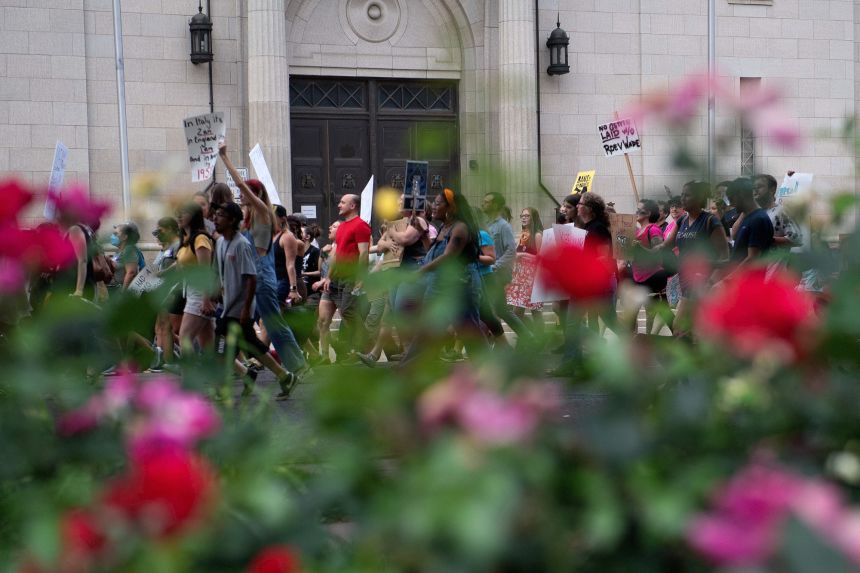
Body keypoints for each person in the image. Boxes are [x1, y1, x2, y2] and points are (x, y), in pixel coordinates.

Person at [219, 140, 308, 378]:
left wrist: (225, 158)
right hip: (252, 276)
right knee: (244, 323)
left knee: (273, 323)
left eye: (244, 192)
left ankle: (296, 365)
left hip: (263, 277)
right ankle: (244, 364)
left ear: (255, 194)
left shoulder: (263, 212)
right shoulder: (247, 220)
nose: (240, 195)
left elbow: (239, 183)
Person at [213, 202, 298, 399]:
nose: (215, 219)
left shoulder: (241, 245)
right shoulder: (219, 243)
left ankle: (221, 387)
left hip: (238, 308)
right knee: (252, 345)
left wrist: (245, 308)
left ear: (233, 220)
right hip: (227, 306)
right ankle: (283, 376)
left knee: (221, 347)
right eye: (215, 214)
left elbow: (251, 278)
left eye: (221, 215)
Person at [402, 188, 487, 362]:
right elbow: (431, 253)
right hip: (440, 284)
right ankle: (407, 367)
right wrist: (424, 233)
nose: (433, 206)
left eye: (438, 203)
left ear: (451, 208)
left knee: (469, 331)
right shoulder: (444, 228)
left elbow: (448, 256)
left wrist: (419, 272)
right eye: (434, 203)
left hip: (461, 286)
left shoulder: (460, 228)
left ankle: (490, 370)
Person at [653, 181, 729, 336]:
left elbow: (724, 255)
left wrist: (711, 281)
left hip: (702, 283)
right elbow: (666, 245)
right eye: (682, 194)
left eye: (687, 195)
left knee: (680, 328)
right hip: (685, 282)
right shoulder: (682, 221)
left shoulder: (710, 221)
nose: (682, 198)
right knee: (694, 331)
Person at [318, 194, 371, 363]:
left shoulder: (361, 225)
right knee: (341, 314)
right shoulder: (341, 228)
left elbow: (364, 253)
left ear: (353, 205)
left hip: (351, 276)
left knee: (348, 311)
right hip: (336, 278)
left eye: (343, 202)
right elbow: (336, 255)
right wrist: (328, 277)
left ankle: (366, 345)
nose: (339, 205)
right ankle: (359, 347)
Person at [481, 192, 533, 346]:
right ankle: (526, 337)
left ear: (496, 205)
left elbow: (511, 251)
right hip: (490, 274)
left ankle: (494, 342)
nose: (483, 204)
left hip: (497, 274)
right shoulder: (487, 224)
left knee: (489, 309)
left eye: (487, 201)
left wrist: (494, 266)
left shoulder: (504, 226)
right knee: (501, 310)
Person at [175, 201, 216, 353]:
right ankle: (240, 372)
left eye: (183, 212)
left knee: (185, 338)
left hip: (200, 293)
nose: (178, 216)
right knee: (208, 344)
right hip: (192, 291)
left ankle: (189, 377)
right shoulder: (186, 240)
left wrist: (206, 299)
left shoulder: (200, 239)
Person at [629, 199, 671, 334]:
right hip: (638, 277)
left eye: (639, 210)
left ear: (648, 213)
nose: (636, 212)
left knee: (660, 312)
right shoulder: (636, 232)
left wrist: (639, 248)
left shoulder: (653, 229)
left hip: (653, 277)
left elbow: (658, 254)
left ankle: (683, 337)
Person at [149, 217, 182, 371]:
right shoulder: (167, 248)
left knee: (168, 326)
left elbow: (179, 264)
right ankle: (162, 359)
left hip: (174, 288)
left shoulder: (178, 245)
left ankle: (169, 360)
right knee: (161, 325)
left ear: (169, 229)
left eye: (160, 231)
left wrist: (162, 274)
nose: (158, 235)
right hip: (164, 289)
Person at [725, 177, 774, 274]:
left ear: (741, 195)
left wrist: (727, 280)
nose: (730, 204)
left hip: (749, 284)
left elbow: (752, 258)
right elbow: (734, 237)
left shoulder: (758, 219)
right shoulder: (748, 217)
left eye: (731, 199)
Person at [511, 207, 544, 335]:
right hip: (521, 277)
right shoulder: (524, 234)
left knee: (535, 311)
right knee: (517, 312)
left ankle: (540, 338)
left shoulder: (537, 235)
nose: (524, 218)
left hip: (533, 278)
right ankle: (528, 335)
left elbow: (540, 258)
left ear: (533, 218)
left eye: (527, 216)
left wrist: (522, 256)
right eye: (522, 215)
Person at [753, 173, 803, 249]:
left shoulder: (782, 211)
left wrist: (768, 240)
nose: (755, 190)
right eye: (753, 187)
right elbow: (734, 236)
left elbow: (797, 238)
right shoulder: (754, 214)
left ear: (772, 190)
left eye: (759, 186)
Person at [273, 206, 306, 307]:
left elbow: (290, 265)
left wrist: (293, 289)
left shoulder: (288, 237)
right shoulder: (273, 236)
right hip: (273, 280)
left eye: (272, 215)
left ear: (282, 219)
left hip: (285, 281)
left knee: (275, 316)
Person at [109, 222, 145, 291]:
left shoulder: (129, 250)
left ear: (125, 237)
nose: (112, 236)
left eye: (115, 234)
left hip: (122, 291)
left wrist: (123, 293)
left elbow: (131, 272)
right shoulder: (120, 251)